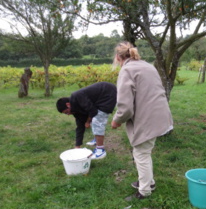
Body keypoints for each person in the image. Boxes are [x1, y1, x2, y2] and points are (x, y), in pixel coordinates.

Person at [111, 41, 173, 200]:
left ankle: (145, 191)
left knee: (141, 153)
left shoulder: (126, 70)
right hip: (160, 114)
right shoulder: (147, 66)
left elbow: (125, 107)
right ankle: (149, 182)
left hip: (147, 117)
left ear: (118, 58)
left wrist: (117, 120)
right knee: (145, 152)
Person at [56, 82, 117, 160]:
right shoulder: (75, 110)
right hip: (99, 99)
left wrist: (88, 121)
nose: (68, 114)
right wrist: (77, 146)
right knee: (92, 119)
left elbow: (93, 112)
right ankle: (97, 139)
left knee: (97, 120)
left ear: (68, 105)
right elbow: (80, 127)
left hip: (108, 93)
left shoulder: (77, 97)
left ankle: (100, 151)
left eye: (66, 112)